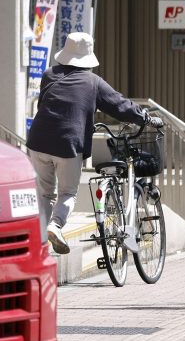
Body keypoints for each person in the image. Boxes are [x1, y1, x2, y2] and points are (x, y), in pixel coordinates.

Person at [25, 31, 149, 256]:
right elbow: (119, 106)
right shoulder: (93, 82)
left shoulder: (49, 74)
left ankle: (40, 241)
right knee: (68, 193)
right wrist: (144, 116)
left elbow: (42, 104)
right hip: (68, 144)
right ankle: (56, 226)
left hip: (38, 140)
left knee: (44, 192)